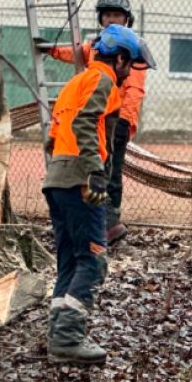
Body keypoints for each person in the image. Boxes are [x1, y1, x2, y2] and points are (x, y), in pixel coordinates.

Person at [43, 24, 148, 364]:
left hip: (57, 178)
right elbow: (86, 122)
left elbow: (53, 133)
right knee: (93, 259)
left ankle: (58, 334)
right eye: (129, 64)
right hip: (81, 180)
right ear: (119, 58)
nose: (129, 71)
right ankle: (69, 340)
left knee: (69, 259)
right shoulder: (103, 81)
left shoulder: (76, 82)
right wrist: (94, 173)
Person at [46, 0, 155, 245]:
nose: (112, 20)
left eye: (117, 15)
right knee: (95, 165)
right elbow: (76, 53)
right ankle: (95, 219)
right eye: (107, 15)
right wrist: (50, 49)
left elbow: (135, 89)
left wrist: (125, 120)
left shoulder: (130, 50)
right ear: (100, 18)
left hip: (117, 118)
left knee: (112, 171)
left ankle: (110, 221)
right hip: (96, 116)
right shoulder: (97, 46)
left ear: (127, 19)